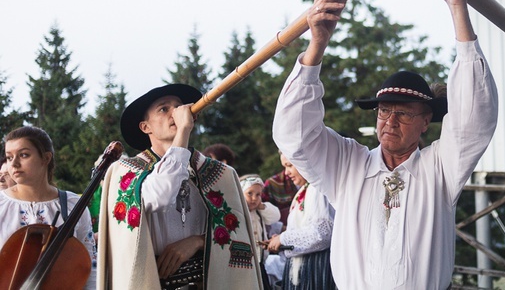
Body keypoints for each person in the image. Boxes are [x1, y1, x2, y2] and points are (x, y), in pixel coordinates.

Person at [272, 0, 499, 289]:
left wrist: (457, 8)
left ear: (426, 121)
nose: (390, 121)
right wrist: (317, 42)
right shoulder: (348, 166)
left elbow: (474, 117)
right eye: (384, 110)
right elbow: (294, 135)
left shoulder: (440, 168)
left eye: (404, 112)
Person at [96, 83, 263, 290]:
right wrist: (182, 131)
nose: (175, 112)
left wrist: (198, 241)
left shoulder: (222, 174)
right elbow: (159, 196)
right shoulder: (125, 171)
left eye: (179, 107)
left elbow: (238, 237)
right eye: (164, 109)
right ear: (145, 127)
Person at [0, 126, 97, 289]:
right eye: (9, 157)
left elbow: (90, 266)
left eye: (24, 155)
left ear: (46, 158)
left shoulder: (73, 204)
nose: (14, 164)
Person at [263, 154, 336, 290]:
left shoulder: (317, 188)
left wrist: (283, 239)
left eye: (289, 166)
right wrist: (280, 241)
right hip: (306, 269)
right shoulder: (306, 189)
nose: (286, 172)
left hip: (315, 270)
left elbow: (323, 232)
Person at [241, 174, 281, 289]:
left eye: (258, 195)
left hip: (259, 263)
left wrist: (262, 206)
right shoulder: (238, 213)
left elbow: (275, 216)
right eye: (250, 193)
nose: (254, 198)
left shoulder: (260, 211)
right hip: (244, 263)